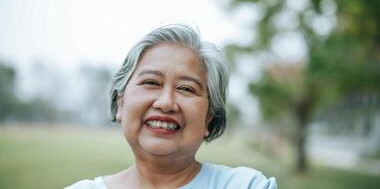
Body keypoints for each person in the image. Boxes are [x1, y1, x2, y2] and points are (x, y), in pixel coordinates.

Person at [65, 23, 277, 189]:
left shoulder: (244, 186)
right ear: (120, 103)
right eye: (150, 83)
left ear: (209, 117)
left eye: (186, 88)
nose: (166, 103)